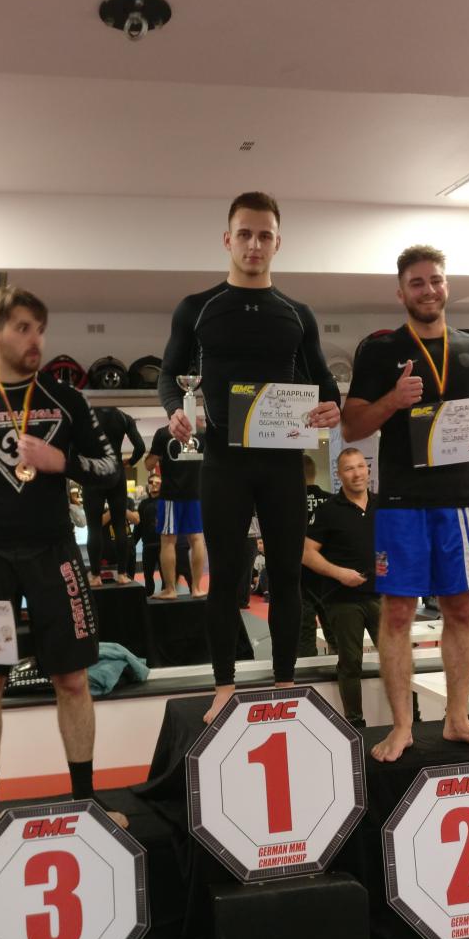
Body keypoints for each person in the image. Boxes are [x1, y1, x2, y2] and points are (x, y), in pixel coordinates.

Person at [0, 285, 127, 850]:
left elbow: (111, 469)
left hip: (54, 552)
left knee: (73, 679)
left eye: (40, 328)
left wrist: (60, 460)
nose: (35, 339)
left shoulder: (67, 399)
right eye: (22, 328)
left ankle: (86, 800)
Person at [159, 191, 341, 722]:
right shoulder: (197, 308)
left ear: (278, 242)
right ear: (227, 239)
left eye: (265, 235)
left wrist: (332, 407)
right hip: (223, 462)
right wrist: (174, 411)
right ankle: (224, 685)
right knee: (226, 574)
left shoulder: (297, 314)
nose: (254, 244)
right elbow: (169, 375)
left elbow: (325, 382)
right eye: (245, 234)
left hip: (283, 463)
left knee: (286, 575)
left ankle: (285, 681)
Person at [343, 244, 469, 761]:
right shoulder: (379, 350)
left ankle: (457, 719)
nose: (428, 290)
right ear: (401, 293)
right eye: (416, 283)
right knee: (398, 611)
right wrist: (393, 401)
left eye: (435, 280)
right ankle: (401, 726)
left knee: (461, 609)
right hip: (401, 502)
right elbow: (352, 426)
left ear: (447, 285)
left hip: (461, 499)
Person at [302, 448, 378, 723]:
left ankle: (410, 719)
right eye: (349, 468)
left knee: (398, 659)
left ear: (368, 470)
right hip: (343, 600)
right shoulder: (328, 510)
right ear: (339, 474)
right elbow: (306, 553)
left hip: (382, 596)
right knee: (350, 663)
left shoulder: (382, 505)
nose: (356, 473)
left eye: (360, 466)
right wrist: (339, 573)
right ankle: (356, 724)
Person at [83, 407, 145, 586]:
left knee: (94, 527)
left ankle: (95, 576)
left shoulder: (87, 415)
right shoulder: (124, 417)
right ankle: (123, 574)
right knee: (119, 526)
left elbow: (73, 446)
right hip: (116, 472)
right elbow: (140, 448)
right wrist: (130, 462)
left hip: (94, 471)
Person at [144, 424, 207, 598]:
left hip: (171, 494)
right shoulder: (201, 432)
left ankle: (170, 589)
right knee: (197, 539)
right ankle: (196, 588)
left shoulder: (164, 432)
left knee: (168, 541)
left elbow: (149, 465)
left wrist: (151, 457)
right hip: (195, 493)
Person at [298, 453, 336, 658]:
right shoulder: (332, 501)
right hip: (329, 577)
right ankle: (342, 669)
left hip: (300, 578)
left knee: (304, 636)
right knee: (336, 635)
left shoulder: (289, 502)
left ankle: (308, 673)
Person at [133, 475, 162, 596]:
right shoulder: (143, 504)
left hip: (164, 545)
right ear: (147, 485)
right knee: (148, 577)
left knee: (166, 577)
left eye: (157, 482)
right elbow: (139, 527)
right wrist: (132, 543)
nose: (154, 484)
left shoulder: (166, 502)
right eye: (151, 482)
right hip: (148, 545)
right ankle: (148, 600)